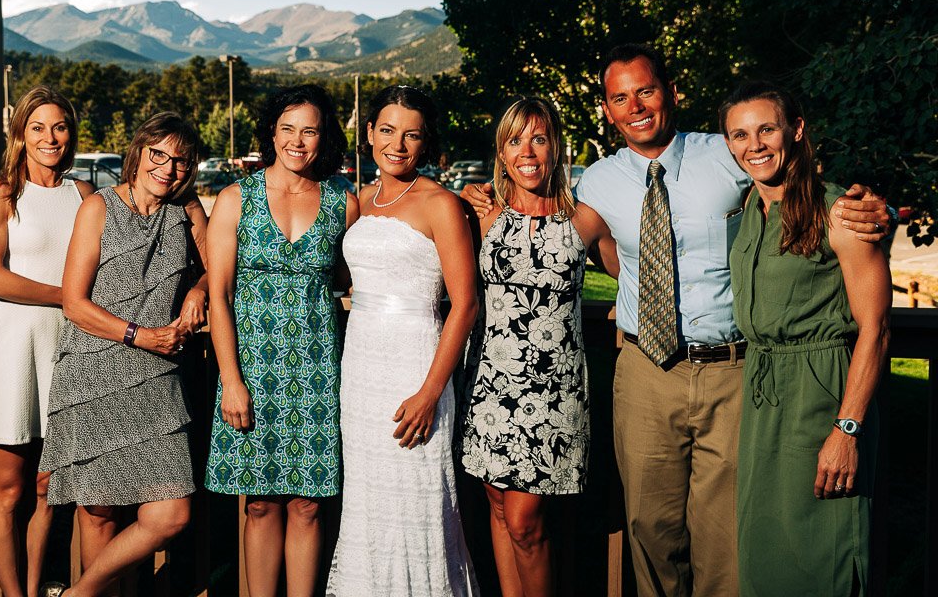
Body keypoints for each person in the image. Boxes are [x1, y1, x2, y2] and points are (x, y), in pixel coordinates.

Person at [463, 43, 889, 596]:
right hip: (644, 373)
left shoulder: (727, 153)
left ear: (671, 93)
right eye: (621, 98)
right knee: (649, 531)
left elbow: (795, 175)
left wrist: (870, 205)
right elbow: (555, 237)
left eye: (646, 91)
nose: (636, 106)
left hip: (732, 375)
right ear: (607, 111)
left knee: (724, 540)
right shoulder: (595, 184)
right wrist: (482, 203)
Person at [719, 83, 889, 596]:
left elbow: (877, 329)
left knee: (824, 553)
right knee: (765, 554)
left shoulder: (840, 212)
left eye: (766, 129)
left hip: (821, 395)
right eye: (740, 135)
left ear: (795, 130)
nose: (754, 145)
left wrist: (847, 430)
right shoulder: (748, 207)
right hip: (763, 397)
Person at [37, 112, 208, 597]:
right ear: (138, 152)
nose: (167, 168)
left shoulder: (188, 210)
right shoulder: (99, 207)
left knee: (171, 514)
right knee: (100, 511)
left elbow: (219, 269)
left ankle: (77, 594)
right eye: (158, 155)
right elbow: (74, 303)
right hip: (93, 371)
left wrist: (198, 289)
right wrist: (139, 335)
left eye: (180, 160)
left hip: (157, 378)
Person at [205, 84, 358, 597]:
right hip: (251, 369)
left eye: (309, 131)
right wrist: (231, 381)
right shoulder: (235, 199)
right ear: (271, 133)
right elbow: (219, 295)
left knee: (309, 505)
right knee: (260, 504)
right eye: (288, 128)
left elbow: (352, 278)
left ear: (323, 136)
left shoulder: (343, 203)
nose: (297, 140)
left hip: (318, 371)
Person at [460, 97, 617, 597]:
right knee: (499, 508)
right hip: (490, 385)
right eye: (515, 141)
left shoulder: (584, 220)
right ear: (501, 153)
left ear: (556, 148)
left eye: (539, 139)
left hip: (554, 392)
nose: (527, 151)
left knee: (526, 520)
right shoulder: (482, 216)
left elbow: (634, 277)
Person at [326, 86, 479, 597]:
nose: (397, 144)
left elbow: (465, 304)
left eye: (411, 135)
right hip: (361, 370)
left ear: (425, 141)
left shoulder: (441, 204)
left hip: (416, 367)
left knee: (418, 497)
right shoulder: (360, 200)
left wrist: (430, 393)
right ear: (369, 133)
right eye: (388, 130)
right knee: (367, 501)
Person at [0, 86, 94, 597]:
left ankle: (34, 590)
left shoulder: (84, 195)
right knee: (9, 489)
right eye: (37, 127)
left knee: (47, 488)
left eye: (59, 127)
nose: (49, 137)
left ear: (71, 134)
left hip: (66, 351)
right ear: (20, 134)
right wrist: (69, 296)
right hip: (9, 352)